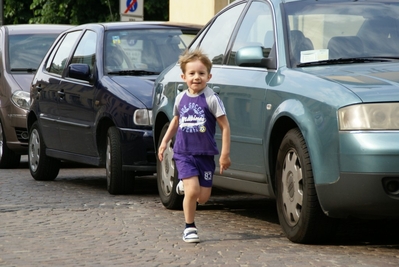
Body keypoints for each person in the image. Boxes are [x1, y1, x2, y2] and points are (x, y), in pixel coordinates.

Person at [158, 48, 231, 243]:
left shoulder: (211, 99)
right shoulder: (181, 98)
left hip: (205, 154)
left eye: (201, 73)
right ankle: (189, 227)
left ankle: (186, 186)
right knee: (193, 191)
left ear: (209, 75)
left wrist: (225, 154)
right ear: (184, 76)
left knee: (203, 197)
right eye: (191, 74)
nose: (196, 77)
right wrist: (165, 142)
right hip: (183, 152)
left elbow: (225, 126)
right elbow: (175, 121)